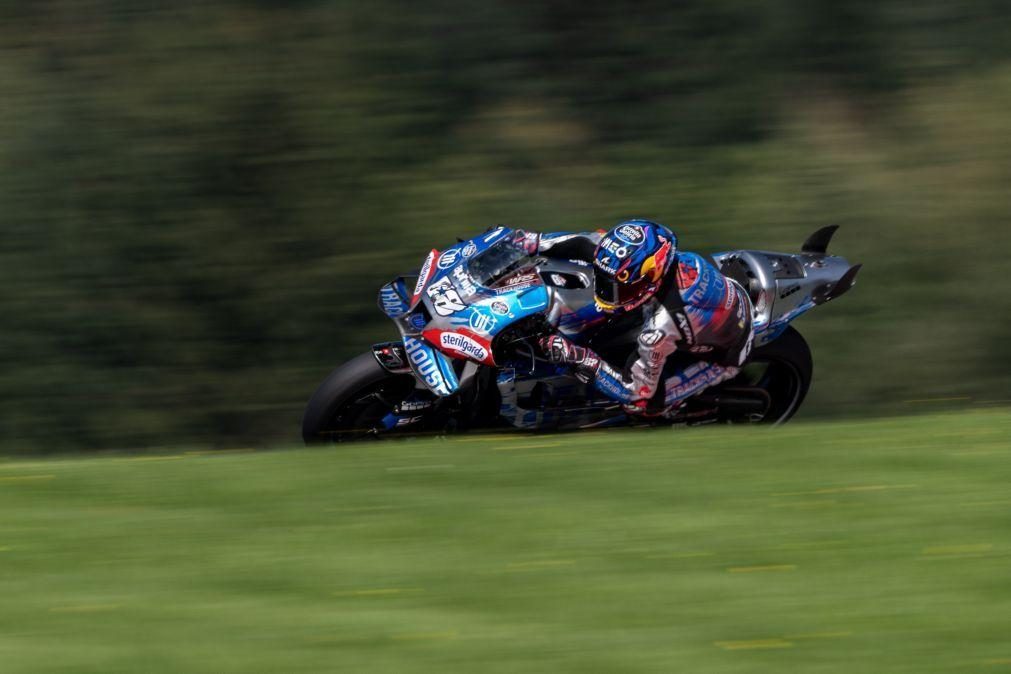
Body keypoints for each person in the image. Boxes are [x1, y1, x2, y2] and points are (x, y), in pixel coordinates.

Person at [532, 219, 755, 416]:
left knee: (640, 405)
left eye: (621, 288)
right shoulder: (624, 256)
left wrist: (576, 356)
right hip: (705, 308)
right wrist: (521, 241)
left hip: (723, 354)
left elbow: (636, 390)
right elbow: (579, 243)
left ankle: (674, 408)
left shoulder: (663, 325)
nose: (609, 295)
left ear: (652, 275)